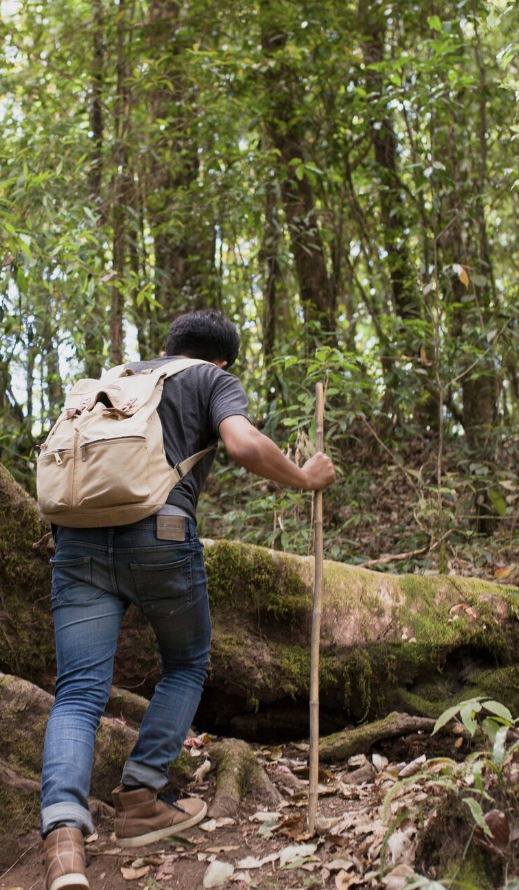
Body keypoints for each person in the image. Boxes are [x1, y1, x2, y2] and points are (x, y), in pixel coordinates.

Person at [40, 310, 336, 890]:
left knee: (77, 692)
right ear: (219, 359)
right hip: (159, 537)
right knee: (186, 663)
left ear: (166, 348)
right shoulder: (210, 379)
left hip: (75, 542)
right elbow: (243, 442)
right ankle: (141, 797)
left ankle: (64, 844)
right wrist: (304, 477)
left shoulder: (119, 379)